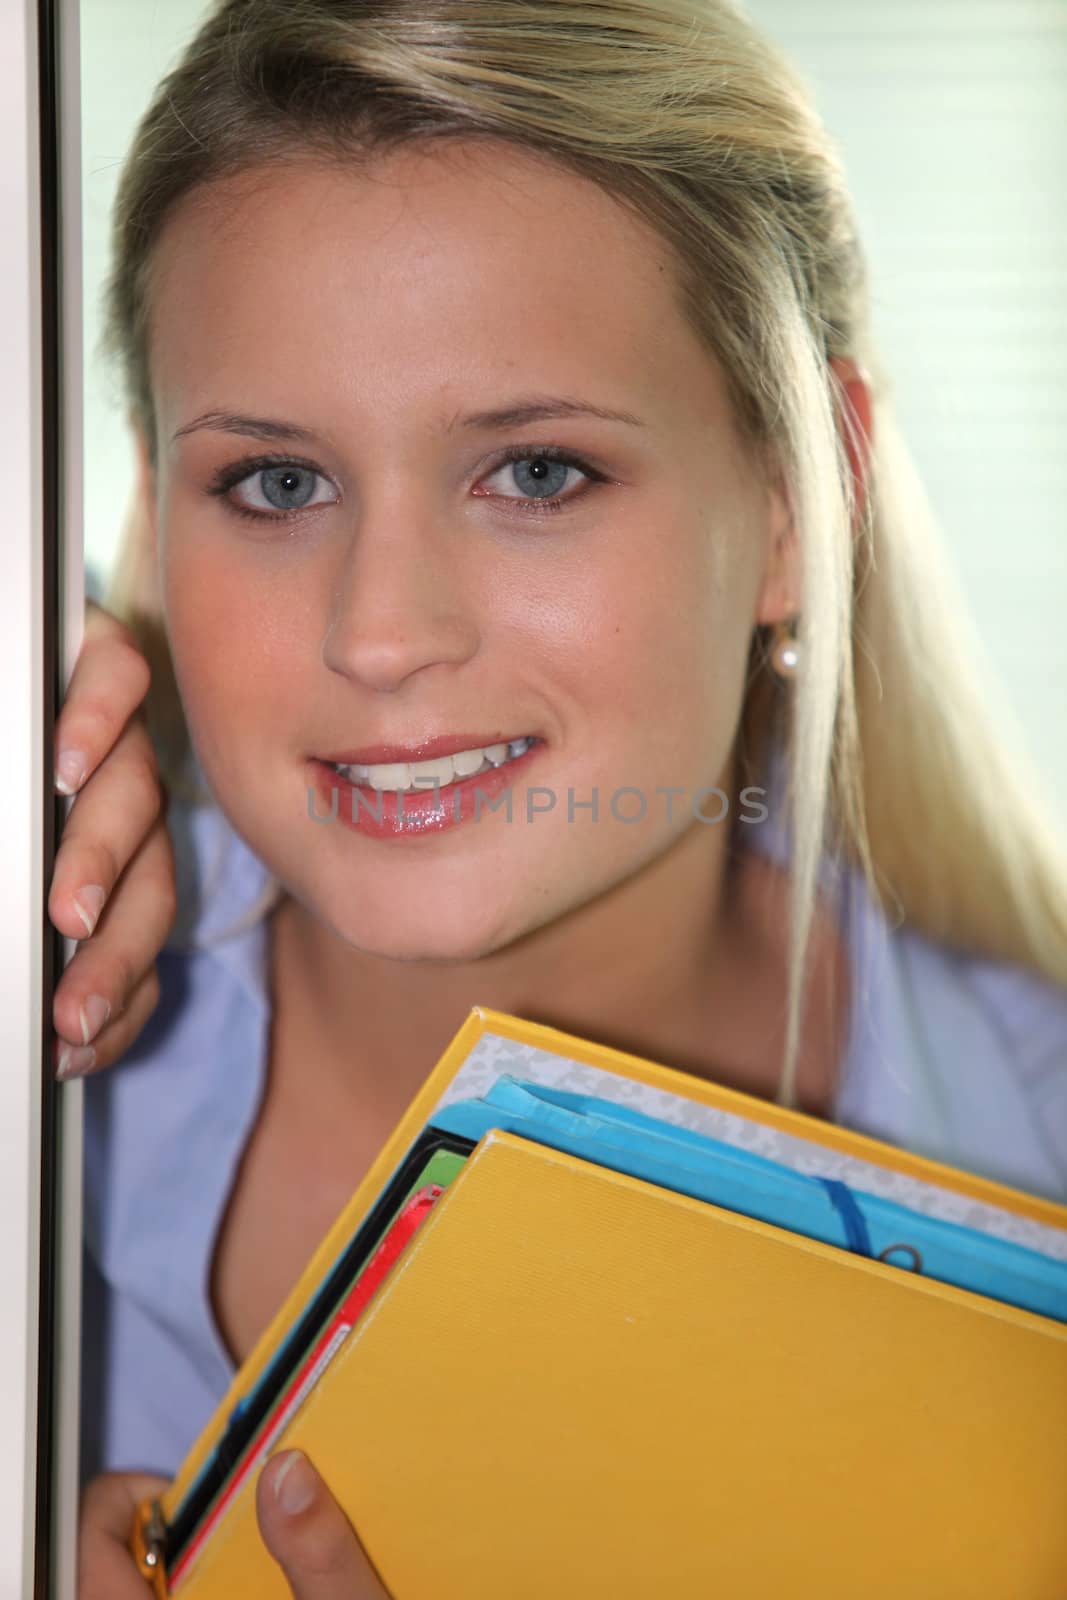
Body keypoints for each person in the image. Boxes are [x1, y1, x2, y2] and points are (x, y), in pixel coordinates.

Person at [64, 0, 1067, 1593]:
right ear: (151, 501)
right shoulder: (47, 1074)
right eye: (277, 482)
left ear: (811, 497)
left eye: (536, 472)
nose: (381, 634)